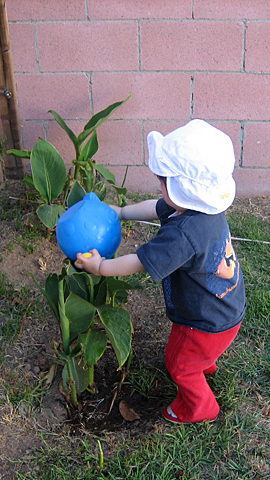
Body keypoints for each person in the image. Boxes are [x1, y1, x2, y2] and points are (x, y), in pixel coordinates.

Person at [75, 119, 246, 424]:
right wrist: (123, 212)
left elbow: (140, 261)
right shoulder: (201, 208)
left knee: (179, 363)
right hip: (227, 307)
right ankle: (205, 363)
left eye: (164, 182)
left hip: (203, 320)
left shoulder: (183, 235)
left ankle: (200, 407)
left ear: (182, 188)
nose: (160, 187)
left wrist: (100, 267)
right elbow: (157, 207)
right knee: (200, 355)